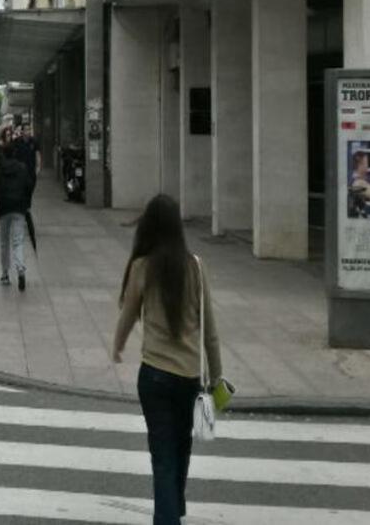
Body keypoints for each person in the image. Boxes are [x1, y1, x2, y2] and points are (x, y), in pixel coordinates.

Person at [112, 194, 222, 525]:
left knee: (163, 456)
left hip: (155, 376)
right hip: (189, 376)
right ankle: (173, 510)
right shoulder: (195, 266)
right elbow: (210, 328)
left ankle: (169, 515)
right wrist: (216, 377)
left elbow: (129, 314)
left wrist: (117, 345)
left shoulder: (142, 267)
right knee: (180, 449)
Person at [0, 141, 33, 291]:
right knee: (18, 241)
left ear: (3, 153)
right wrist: (26, 204)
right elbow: (28, 186)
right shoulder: (22, 168)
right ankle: (20, 270)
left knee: (4, 242)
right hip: (19, 208)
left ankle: (5, 274)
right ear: (14, 153)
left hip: (4, 209)